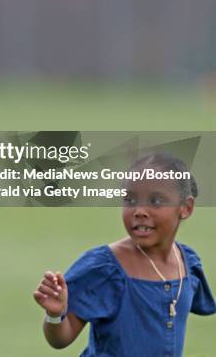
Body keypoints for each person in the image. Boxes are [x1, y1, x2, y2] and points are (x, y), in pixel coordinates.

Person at [33, 153, 216, 357]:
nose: (139, 211)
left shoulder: (187, 263)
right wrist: (55, 314)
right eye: (130, 200)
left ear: (185, 208)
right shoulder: (103, 268)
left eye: (156, 201)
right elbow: (60, 339)